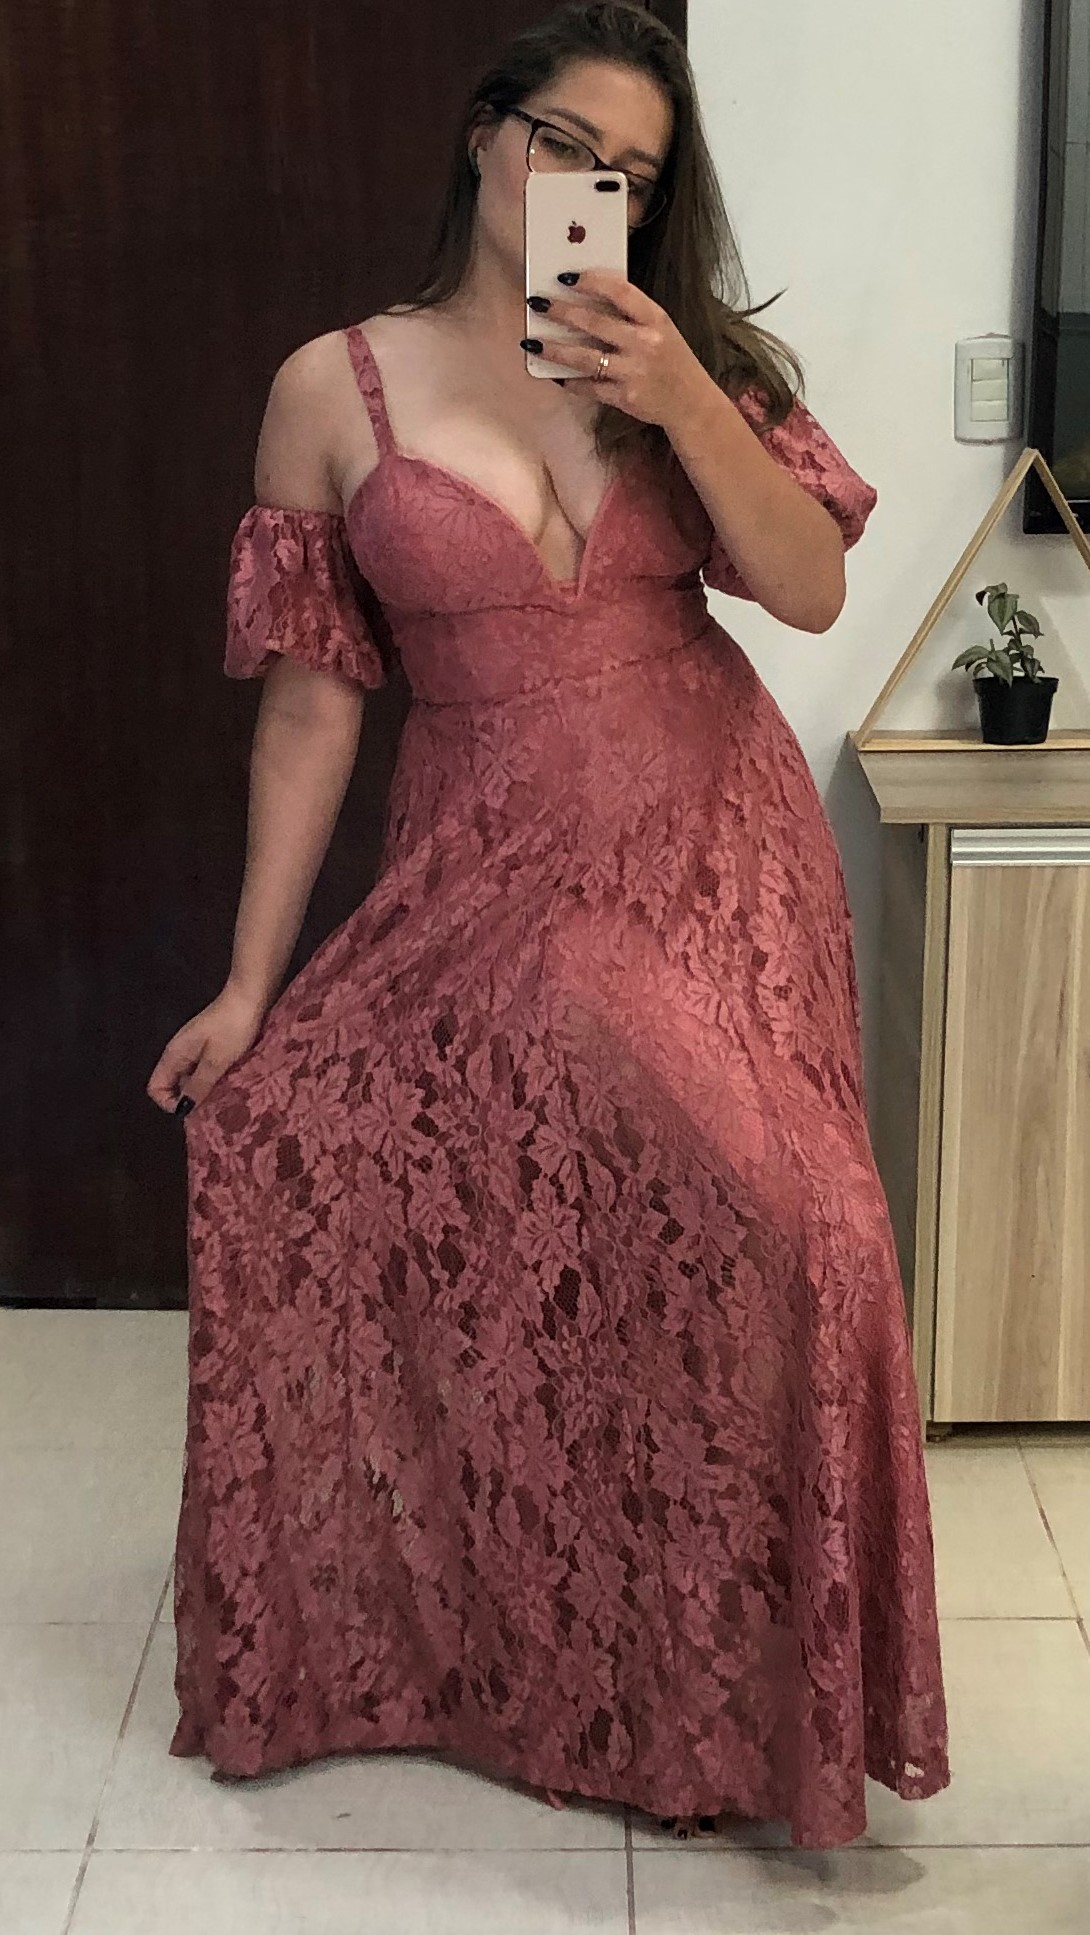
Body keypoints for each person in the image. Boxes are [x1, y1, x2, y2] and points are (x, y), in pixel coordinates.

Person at [147, 0, 949, 1850]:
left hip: (713, 840)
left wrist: (682, 400)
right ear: (484, 134)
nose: (590, 185)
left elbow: (809, 592)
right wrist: (251, 983)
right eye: (564, 142)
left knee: (803, 1228)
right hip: (486, 860)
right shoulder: (332, 387)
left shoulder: (689, 362)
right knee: (370, 1165)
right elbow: (311, 705)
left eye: (634, 174)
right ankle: (518, 1655)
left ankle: (727, 1694)